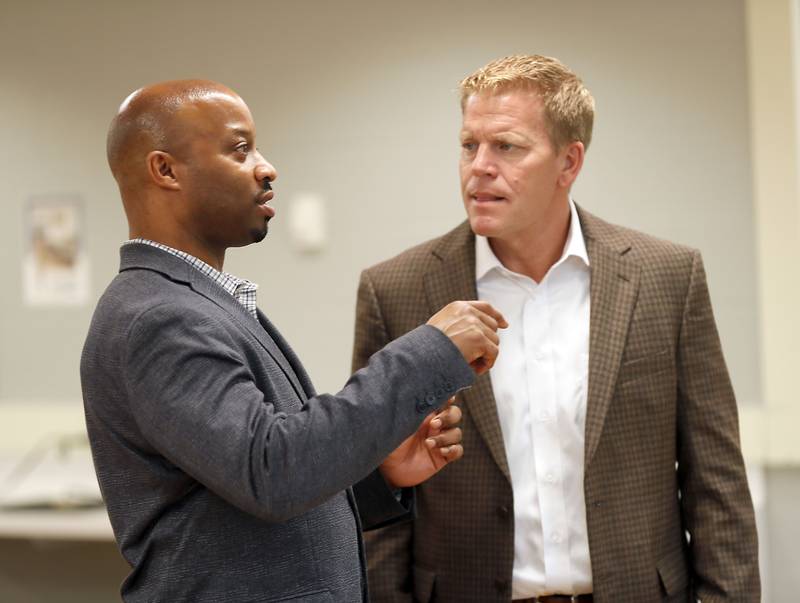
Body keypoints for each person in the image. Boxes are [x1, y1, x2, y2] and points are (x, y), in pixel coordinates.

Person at [80, 79, 507, 603]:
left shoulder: (195, 302)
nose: (266, 167)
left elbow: (244, 486)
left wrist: (377, 474)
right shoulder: (158, 316)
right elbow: (271, 471)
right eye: (240, 149)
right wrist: (429, 354)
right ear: (165, 170)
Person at [352, 55, 759, 602]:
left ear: (569, 163)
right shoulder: (396, 291)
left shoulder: (668, 277)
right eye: (469, 145)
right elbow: (377, 494)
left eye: (507, 147)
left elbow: (718, 483)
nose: (480, 167)